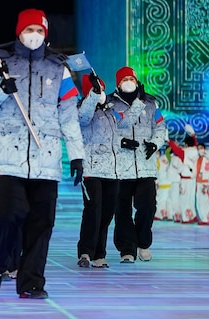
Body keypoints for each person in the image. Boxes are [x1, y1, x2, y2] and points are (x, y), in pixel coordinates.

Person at [0, 9, 85, 299]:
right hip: (7, 157)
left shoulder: (60, 69)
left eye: (39, 31)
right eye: (28, 30)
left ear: (45, 34)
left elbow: (69, 116)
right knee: (10, 214)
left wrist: (76, 155)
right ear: (19, 33)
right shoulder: (0, 63)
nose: (34, 36)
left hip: (45, 158)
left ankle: (32, 282)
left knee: (41, 222)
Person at [110, 66, 167, 263]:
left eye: (131, 78)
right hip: (120, 168)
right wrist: (120, 142)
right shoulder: (110, 103)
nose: (129, 82)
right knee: (122, 210)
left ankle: (143, 243)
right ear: (118, 83)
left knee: (147, 206)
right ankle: (127, 249)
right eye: (124, 79)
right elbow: (105, 130)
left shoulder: (150, 102)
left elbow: (160, 127)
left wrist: (155, 143)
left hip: (145, 167)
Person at [76, 72, 120, 269]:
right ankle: (85, 251)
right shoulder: (82, 108)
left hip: (112, 170)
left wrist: (138, 101)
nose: (101, 92)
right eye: (97, 89)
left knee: (107, 213)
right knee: (93, 210)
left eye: (102, 89)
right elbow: (83, 119)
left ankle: (99, 254)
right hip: (91, 169)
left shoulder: (111, 111)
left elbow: (126, 124)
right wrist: (93, 95)